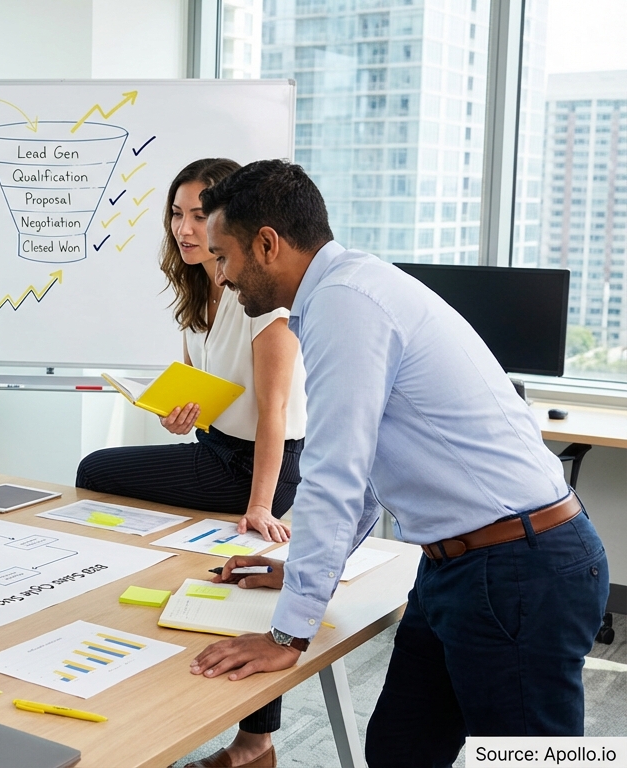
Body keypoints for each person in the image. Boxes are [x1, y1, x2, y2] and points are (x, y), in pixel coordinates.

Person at [188, 159, 609, 766]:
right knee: (400, 751)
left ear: (268, 244)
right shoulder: (347, 291)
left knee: (531, 758)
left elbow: (333, 475)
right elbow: (360, 483)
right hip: (460, 567)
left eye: (223, 256)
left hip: (516, 568)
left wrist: (289, 634)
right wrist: (301, 570)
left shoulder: (344, 304)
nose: (221, 276)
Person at [76, 158, 306, 768]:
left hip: (264, 464)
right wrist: (179, 415)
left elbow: (275, 414)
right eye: (176, 214)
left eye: (200, 215)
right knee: (114, 481)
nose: (185, 227)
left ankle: (254, 743)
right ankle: (246, 738)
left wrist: (259, 506)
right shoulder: (197, 292)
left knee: (96, 469)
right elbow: (208, 397)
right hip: (218, 450)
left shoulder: (262, 303)